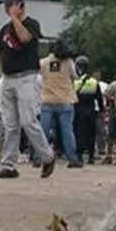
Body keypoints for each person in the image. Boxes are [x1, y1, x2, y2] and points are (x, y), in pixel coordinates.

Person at [0, 0, 56, 179]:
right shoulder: (4, 30)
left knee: (28, 121)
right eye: (6, 5)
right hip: (7, 78)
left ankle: (47, 157)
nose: (6, 9)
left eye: (10, 5)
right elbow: (1, 53)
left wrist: (15, 19)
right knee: (9, 124)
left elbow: (25, 38)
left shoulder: (31, 24)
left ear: (19, 5)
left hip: (26, 78)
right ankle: (9, 164)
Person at [39, 39, 82, 168]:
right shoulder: (69, 62)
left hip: (47, 100)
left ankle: (38, 157)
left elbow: (39, 76)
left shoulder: (43, 62)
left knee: (43, 131)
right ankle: (72, 159)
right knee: (67, 131)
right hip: (65, 101)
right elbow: (76, 77)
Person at [73, 56, 104, 164]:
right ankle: (91, 156)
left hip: (78, 111)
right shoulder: (94, 82)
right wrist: (101, 111)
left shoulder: (75, 82)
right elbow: (99, 99)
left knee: (79, 133)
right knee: (91, 134)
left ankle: (79, 155)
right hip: (91, 112)